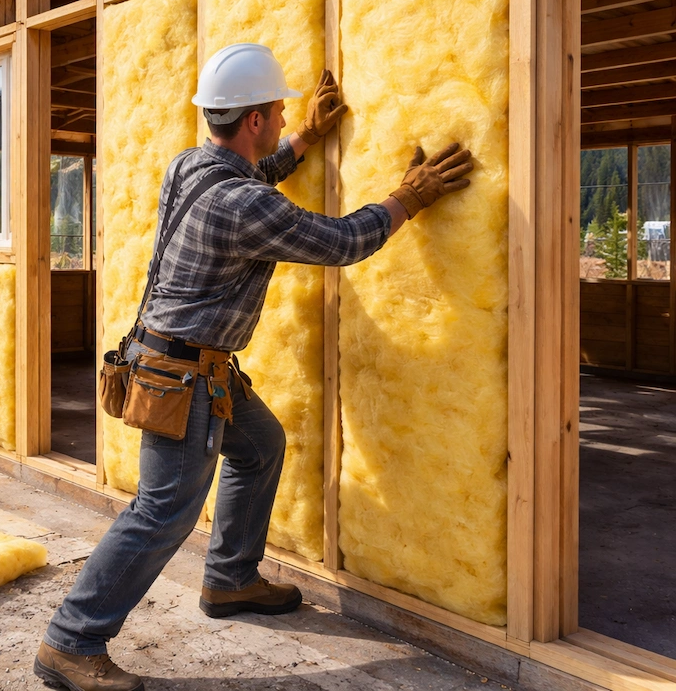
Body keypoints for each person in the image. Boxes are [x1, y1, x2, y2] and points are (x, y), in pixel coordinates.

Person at [34, 43, 474, 691]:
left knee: (261, 445)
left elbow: (253, 174)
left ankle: (232, 579)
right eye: (274, 110)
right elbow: (346, 240)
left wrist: (304, 138)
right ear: (255, 120)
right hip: (184, 378)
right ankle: (71, 643)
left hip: (183, 364)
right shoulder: (245, 208)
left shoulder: (190, 167)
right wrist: (408, 196)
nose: (275, 118)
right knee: (161, 513)